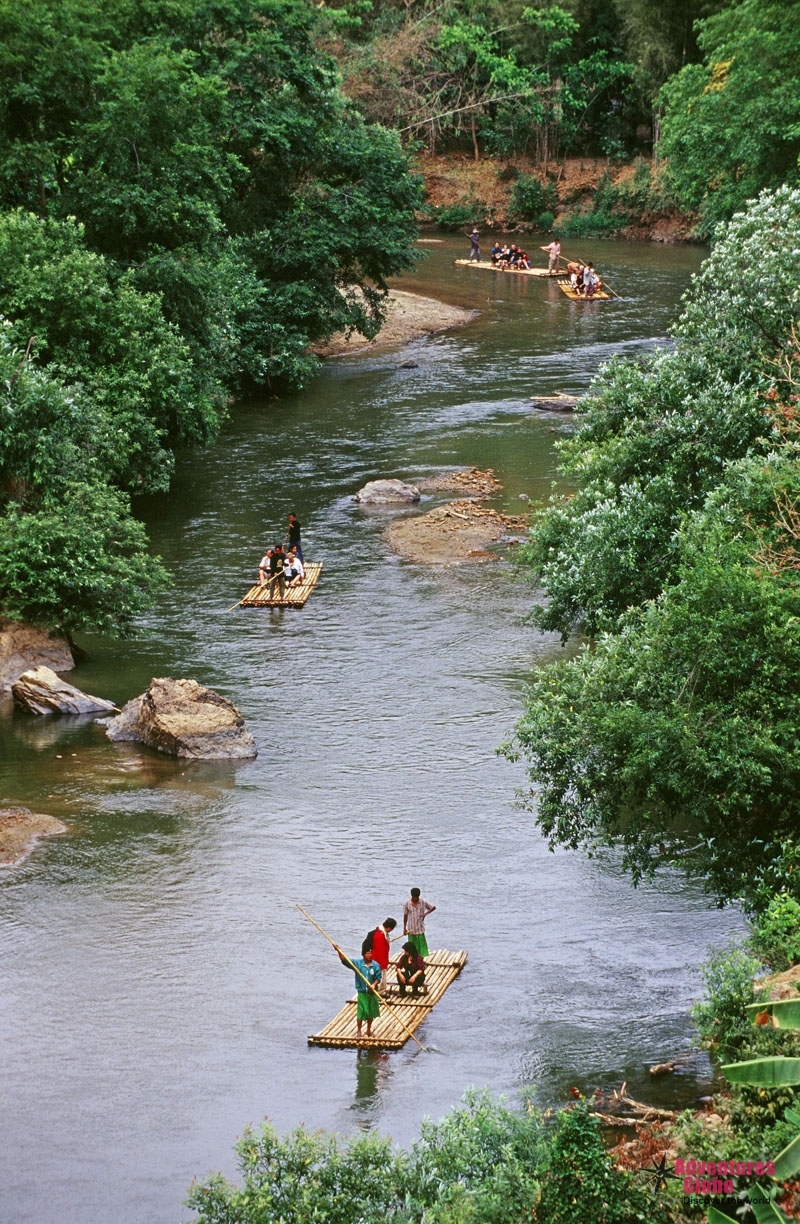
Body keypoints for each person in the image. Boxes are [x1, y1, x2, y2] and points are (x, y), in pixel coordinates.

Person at [335, 941, 382, 1038]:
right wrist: (339, 951)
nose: (369, 955)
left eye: (370, 953)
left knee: (371, 1011)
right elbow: (345, 961)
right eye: (367, 954)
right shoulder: (358, 964)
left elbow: (378, 977)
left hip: (372, 992)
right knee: (361, 1012)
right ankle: (359, 1031)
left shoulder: (375, 965)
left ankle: (368, 1030)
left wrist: (374, 984)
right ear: (363, 955)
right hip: (362, 992)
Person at [364, 917, 397, 994]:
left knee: (382, 978)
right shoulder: (380, 936)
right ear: (389, 927)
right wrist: (382, 964)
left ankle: (381, 992)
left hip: (381, 959)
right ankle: (377, 993)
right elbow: (380, 951)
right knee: (379, 977)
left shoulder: (381, 933)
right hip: (378, 960)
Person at [403, 887, 436, 958]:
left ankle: (422, 958)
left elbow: (433, 907)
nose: (416, 899)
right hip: (411, 928)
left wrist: (425, 914)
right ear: (412, 896)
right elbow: (405, 915)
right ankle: (412, 957)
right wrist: (404, 928)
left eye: (417, 897)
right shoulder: (407, 903)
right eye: (415, 897)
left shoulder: (422, 902)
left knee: (422, 945)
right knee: (412, 944)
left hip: (420, 927)